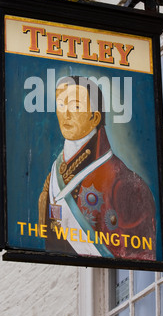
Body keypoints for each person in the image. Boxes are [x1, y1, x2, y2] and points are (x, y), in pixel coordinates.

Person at [38, 76, 156, 260]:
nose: (66, 114)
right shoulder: (53, 176)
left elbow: (142, 260)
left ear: (95, 117)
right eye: (61, 105)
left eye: (76, 106)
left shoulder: (126, 186)